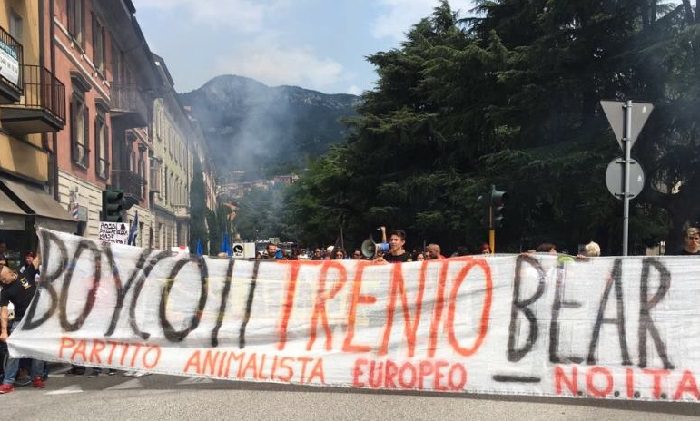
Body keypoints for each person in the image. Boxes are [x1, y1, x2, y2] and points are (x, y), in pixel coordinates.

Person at [0, 265, 45, 394]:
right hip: (20, 322)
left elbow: (38, 258)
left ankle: (37, 377)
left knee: (38, 350)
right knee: (13, 351)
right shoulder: (5, 291)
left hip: (37, 320)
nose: (3, 282)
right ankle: (8, 383)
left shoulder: (26, 273)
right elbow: (3, 311)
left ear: (11, 273)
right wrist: (4, 331)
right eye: (1, 280)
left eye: (4, 279)